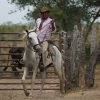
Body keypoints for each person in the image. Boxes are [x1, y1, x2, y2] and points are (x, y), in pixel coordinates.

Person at [33, 6, 56, 71]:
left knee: (44, 50)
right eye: (42, 13)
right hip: (37, 39)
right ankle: (23, 60)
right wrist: (31, 32)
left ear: (48, 13)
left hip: (45, 40)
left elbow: (53, 30)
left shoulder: (50, 21)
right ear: (41, 14)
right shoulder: (38, 20)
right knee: (28, 46)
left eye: (45, 13)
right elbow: (35, 28)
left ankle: (43, 64)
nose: (44, 14)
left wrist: (53, 24)